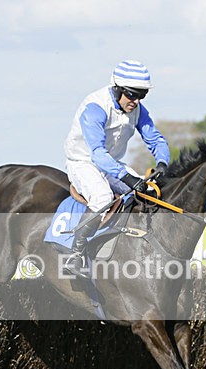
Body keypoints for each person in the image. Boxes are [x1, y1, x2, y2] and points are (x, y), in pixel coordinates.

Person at [62, 59, 170, 278]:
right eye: (131, 94)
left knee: (146, 194)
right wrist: (126, 178)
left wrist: (162, 163)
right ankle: (75, 253)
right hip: (83, 161)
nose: (136, 101)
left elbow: (155, 139)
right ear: (117, 88)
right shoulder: (95, 107)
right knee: (102, 198)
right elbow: (97, 154)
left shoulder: (138, 109)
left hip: (111, 163)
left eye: (142, 95)